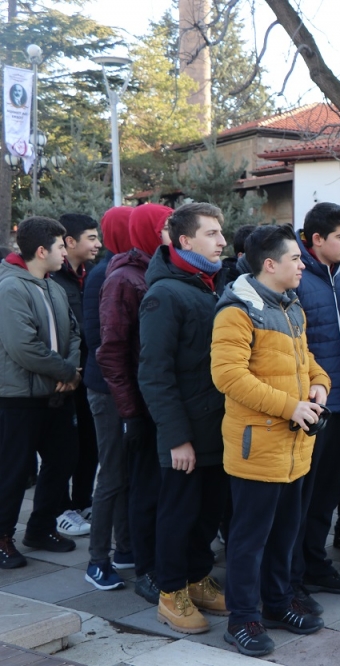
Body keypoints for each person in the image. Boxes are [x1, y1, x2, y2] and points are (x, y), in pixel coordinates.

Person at [212, 224, 330, 656]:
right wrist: (289, 407)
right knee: (249, 540)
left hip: (295, 446)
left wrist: (320, 385)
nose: (302, 265)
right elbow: (228, 376)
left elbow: (308, 360)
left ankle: (279, 603)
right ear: (270, 264)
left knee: (285, 533)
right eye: (296, 258)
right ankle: (242, 619)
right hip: (257, 445)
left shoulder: (289, 305)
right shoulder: (237, 311)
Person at [138, 203, 228, 633]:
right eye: (212, 233)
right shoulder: (164, 294)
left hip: (215, 426)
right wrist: (176, 438)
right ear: (185, 240)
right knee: (178, 515)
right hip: (185, 433)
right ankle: (170, 592)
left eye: (221, 232)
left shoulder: (208, 285)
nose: (222, 241)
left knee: (208, 512)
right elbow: (154, 374)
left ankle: (196, 579)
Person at [97, 203, 172, 603]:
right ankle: (147, 569)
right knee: (146, 489)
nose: (170, 233)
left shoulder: (160, 271)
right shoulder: (124, 278)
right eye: (164, 227)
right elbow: (112, 352)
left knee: (167, 490)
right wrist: (130, 412)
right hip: (144, 405)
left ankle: (167, 562)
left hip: (165, 403)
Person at [292, 203, 340, 609]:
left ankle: (316, 563)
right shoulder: (299, 276)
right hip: (310, 408)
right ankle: (292, 574)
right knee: (302, 497)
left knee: (326, 494)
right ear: (316, 239)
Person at [0, 218, 82, 569]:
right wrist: (65, 371)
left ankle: (41, 527)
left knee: (63, 459)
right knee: (14, 471)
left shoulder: (54, 286)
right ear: (41, 250)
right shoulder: (10, 288)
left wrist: (72, 370)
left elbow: (75, 334)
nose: (66, 251)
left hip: (56, 395)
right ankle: (2, 536)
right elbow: (23, 347)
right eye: (61, 246)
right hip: (19, 398)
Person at [82, 206, 134, 590]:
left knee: (125, 472)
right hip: (106, 389)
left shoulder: (124, 270)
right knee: (112, 473)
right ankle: (97, 559)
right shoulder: (106, 274)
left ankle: (125, 547)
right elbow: (100, 340)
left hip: (122, 387)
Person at [52, 214, 102, 538]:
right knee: (62, 448)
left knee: (90, 443)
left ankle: (82, 499)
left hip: (89, 376)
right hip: (62, 377)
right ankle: (59, 509)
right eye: (91, 238)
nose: (98, 244)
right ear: (70, 242)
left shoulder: (91, 274)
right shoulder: (53, 278)